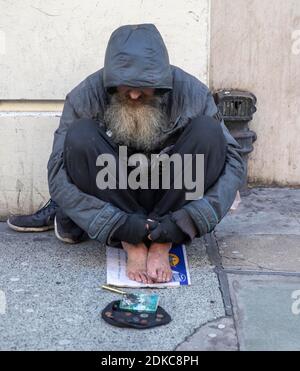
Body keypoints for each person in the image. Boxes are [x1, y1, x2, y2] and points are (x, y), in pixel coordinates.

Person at [7, 24, 245, 284]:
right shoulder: (84, 96)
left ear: (161, 82)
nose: (133, 94)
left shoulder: (192, 93)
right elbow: (57, 174)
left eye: (144, 87)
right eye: (125, 86)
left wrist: (181, 224)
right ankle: (132, 243)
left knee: (208, 132)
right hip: (115, 194)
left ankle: (161, 242)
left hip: (169, 195)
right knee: (80, 135)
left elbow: (233, 163)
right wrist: (119, 226)